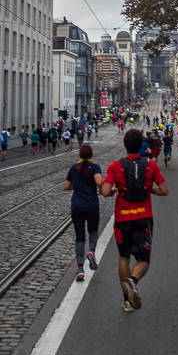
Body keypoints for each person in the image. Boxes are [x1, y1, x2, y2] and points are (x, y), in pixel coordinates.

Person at [101, 129, 168, 312]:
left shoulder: (116, 166)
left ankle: (127, 300)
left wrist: (115, 190)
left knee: (124, 257)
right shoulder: (151, 166)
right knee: (143, 259)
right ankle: (133, 281)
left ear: (125, 145)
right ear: (141, 146)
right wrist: (150, 191)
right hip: (143, 217)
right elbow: (164, 190)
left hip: (123, 219)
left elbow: (105, 191)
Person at [64, 144, 104, 282]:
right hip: (92, 206)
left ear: (79, 155)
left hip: (77, 206)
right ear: (92, 155)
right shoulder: (95, 167)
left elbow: (66, 187)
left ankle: (80, 269)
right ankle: (91, 251)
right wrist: (100, 188)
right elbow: (99, 181)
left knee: (79, 236)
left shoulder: (74, 169)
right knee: (93, 230)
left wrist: (78, 186)